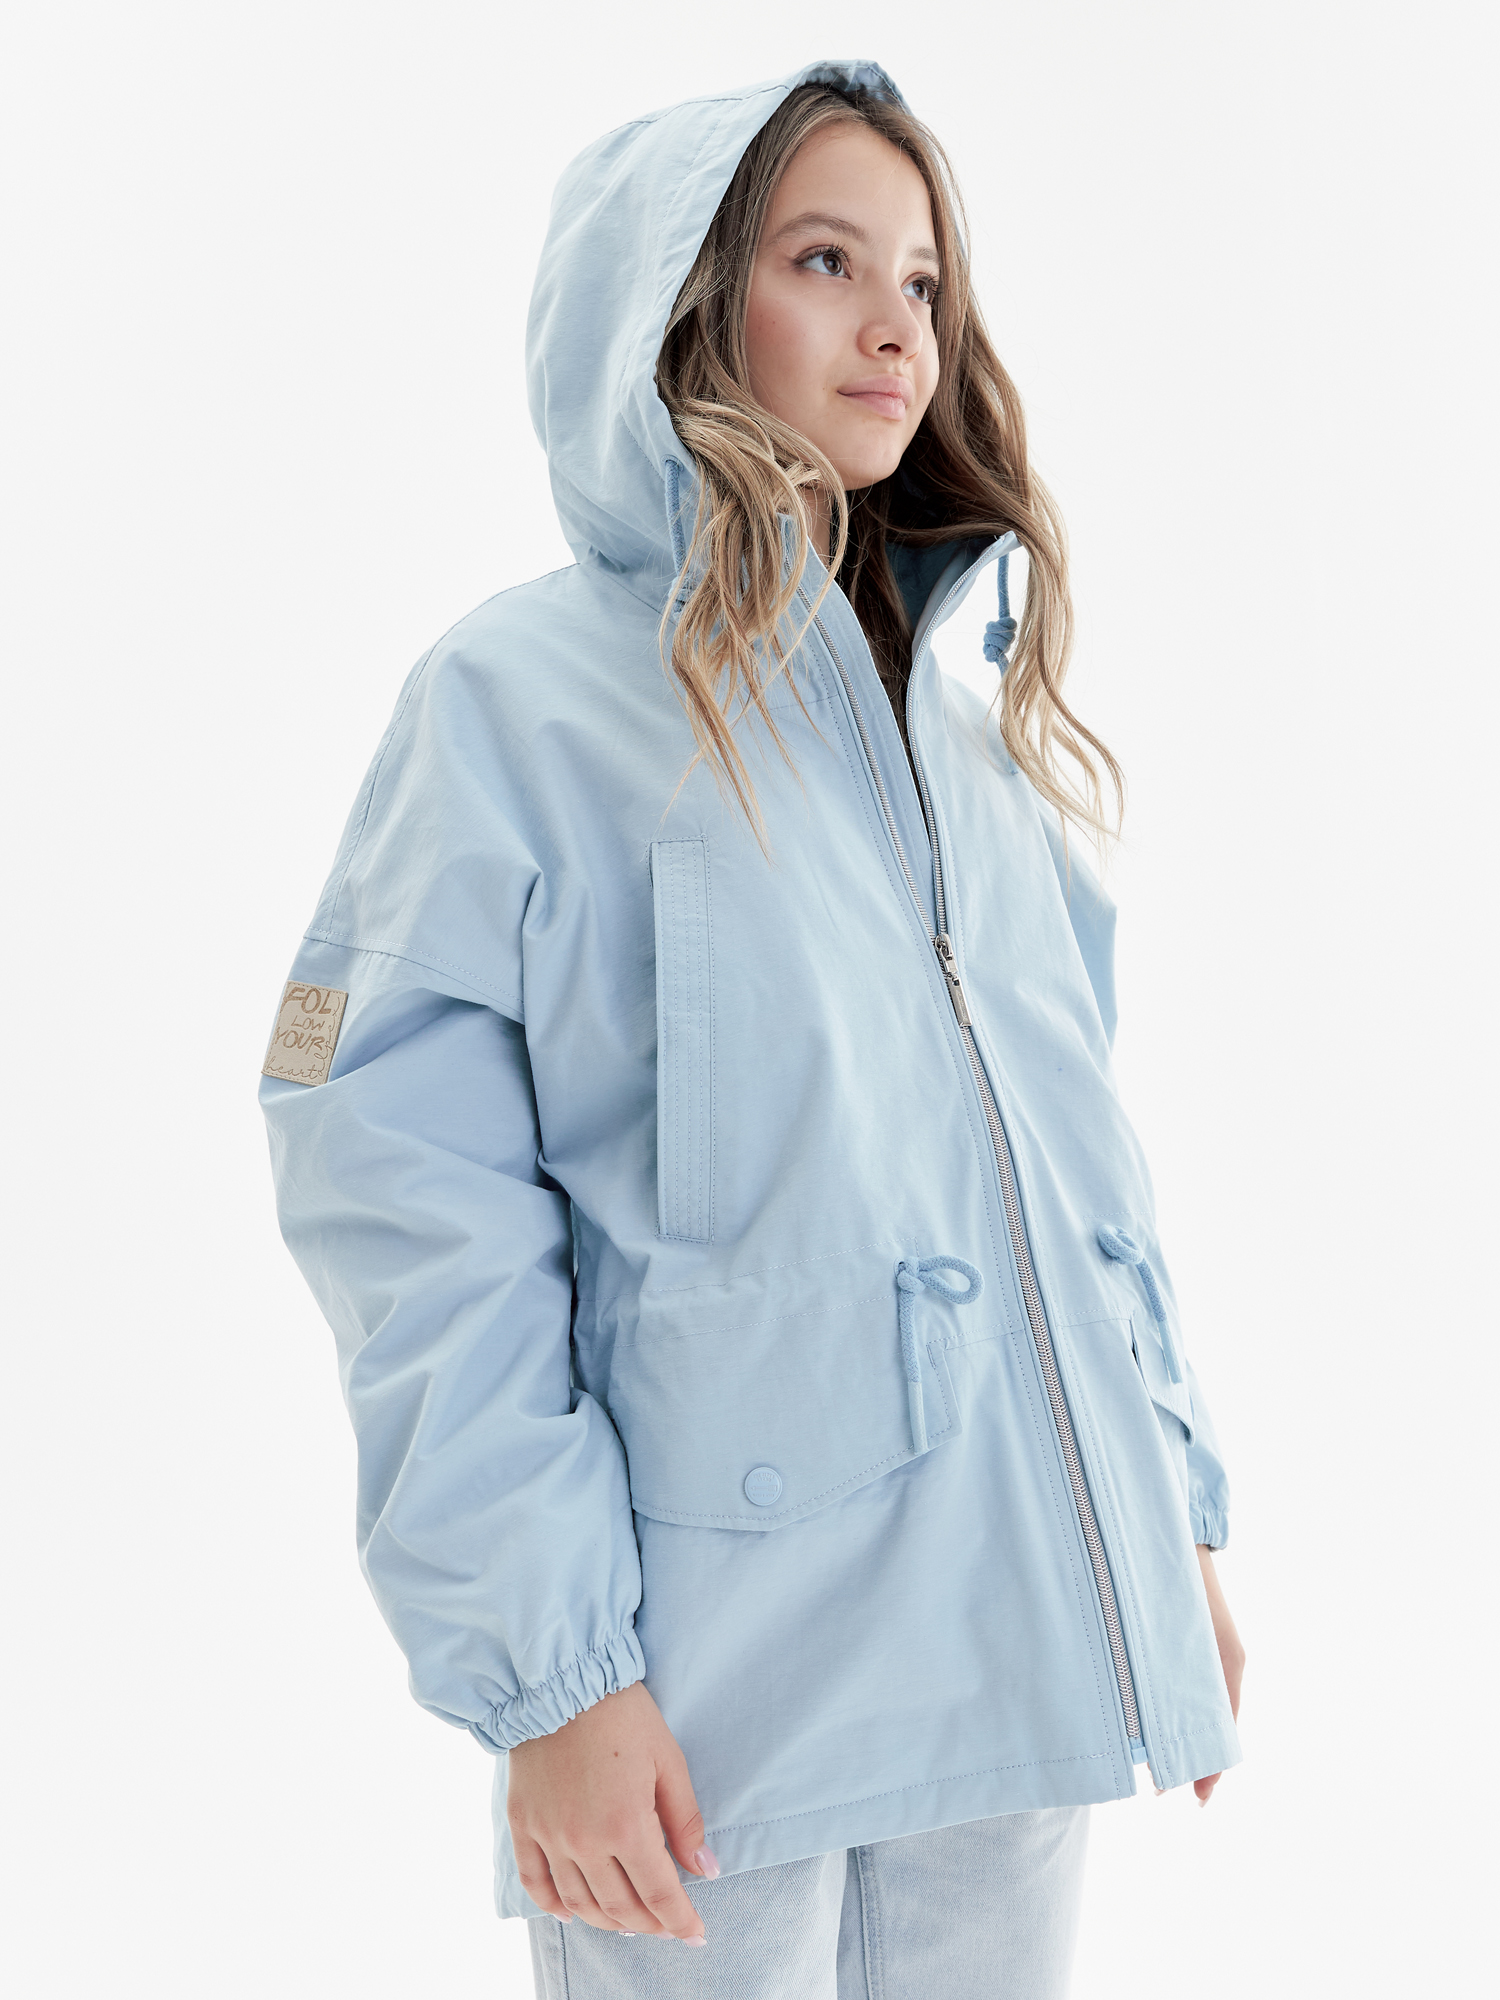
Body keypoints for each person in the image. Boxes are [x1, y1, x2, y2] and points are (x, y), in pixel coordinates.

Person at [260, 59, 1245, 2000]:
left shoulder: (963, 725)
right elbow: (411, 1199)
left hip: (1013, 1637)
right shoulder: (518, 704)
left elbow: (1078, 1165)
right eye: (825, 260)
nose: (897, 326)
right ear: (687, 299)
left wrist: (1160, 1525)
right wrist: (555, 1673)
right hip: (711, 1705)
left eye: (925, 280)